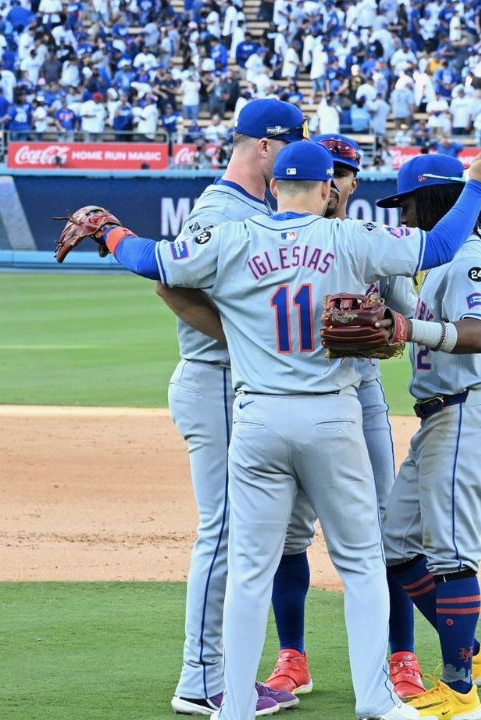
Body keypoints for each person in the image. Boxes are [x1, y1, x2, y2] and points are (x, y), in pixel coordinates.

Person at [56, 141, 481, 720]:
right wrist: (476, 186)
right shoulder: (351, 236)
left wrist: (111, 232)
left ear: (274, 188)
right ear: (328, 191)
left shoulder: (233, 238)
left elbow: (153, 262)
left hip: (257, 419)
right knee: (363, 563)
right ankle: (377, 699)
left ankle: (236, 706)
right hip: (331, 415)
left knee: (249, 569)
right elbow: (445, 244)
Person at [152, 99, 306, 718]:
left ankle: (220, 670)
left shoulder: (251, 208)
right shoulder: (220, 209)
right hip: (215, 379)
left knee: (242, 530)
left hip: (231, 383)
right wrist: (246, 337)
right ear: (263, 148)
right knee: (223, 530)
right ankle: (202, 679)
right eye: (289, 149)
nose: (293, 162)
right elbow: (169, 283)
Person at [262, 135, 427, 701]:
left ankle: (402, 657)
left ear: (351, 183)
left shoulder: (370, 243)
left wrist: (387, 323)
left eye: (344, 172)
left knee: (386, 530)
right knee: (287, 533)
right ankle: (292, 658)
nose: (334, 180)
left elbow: (409, 318)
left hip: (361, 395)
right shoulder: (274, 236)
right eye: (327, 170)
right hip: (289, 397)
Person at [377, 153, 481, 720]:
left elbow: (479, 335)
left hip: (464, 414)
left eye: (407, 204)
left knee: (451, 557)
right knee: (394, 544)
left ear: (435, 198)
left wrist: (411, 326)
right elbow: (417, 318)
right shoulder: (437, 265)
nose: (403, 216)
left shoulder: (471, 262)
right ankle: (475, 656)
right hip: (440, 419)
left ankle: (461, 694)